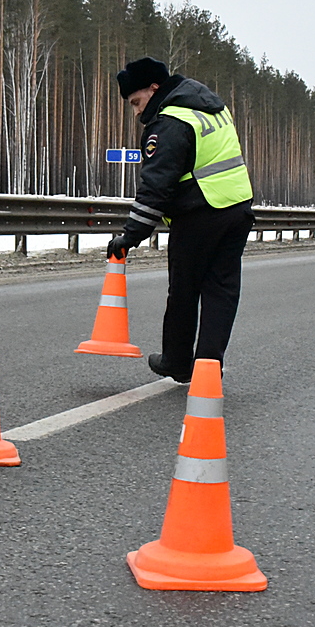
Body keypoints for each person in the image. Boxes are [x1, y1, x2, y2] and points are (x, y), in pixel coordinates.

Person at [106, 57, 255, 383]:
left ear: (154, 88)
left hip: (200, 213)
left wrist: (129, 237)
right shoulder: (211, 107)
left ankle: (177, 360)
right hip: (238, 208)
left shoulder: (170, 122)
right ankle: (207, 366)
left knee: (184, 289)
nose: (136, 112)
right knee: (221, 291)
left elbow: (155, 188)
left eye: (136, 102)